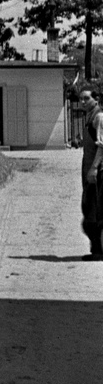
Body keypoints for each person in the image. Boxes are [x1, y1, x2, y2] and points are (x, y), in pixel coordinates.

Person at [80, 88, 103, 259]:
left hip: (98, 173)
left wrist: (94, 168)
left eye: (86, 98)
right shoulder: (89, 117)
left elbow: (102, 146)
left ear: (95, 99)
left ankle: (98, 251)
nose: (83, 102)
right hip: (89, 172)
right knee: (89, 211)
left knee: (94, 214)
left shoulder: (99, 117)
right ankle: (96, 249)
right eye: (81, 99)